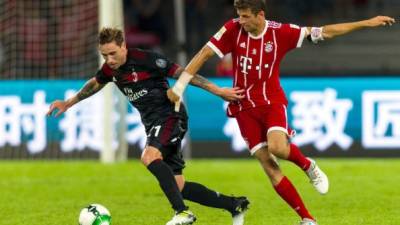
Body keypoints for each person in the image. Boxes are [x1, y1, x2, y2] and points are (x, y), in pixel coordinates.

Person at [167, 0, 396, 224]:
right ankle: (307, 219)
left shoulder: (282, 32)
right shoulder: (232, 28)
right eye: (240, 15)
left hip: (271, 101)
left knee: (277, 146)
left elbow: (325, 32)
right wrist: (179, 87)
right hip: (243, 106)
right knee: (269, 166)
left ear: (260, 15)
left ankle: (308, 166)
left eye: (246, 16)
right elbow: (204, 54)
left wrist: (367, 22)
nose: (241, 20)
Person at [47, 28, 249, 225]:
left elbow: (184, 74)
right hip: (153, 124)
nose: (109, 59)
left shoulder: (147, 60)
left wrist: (217, 90)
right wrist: (68, 103)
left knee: (149, 156)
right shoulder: (110, 69)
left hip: (170, 116)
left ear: (123, 46)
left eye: (113, 53)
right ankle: (234, 205)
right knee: (178, 186)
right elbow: (94, 84)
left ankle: (182, 213)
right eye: (104, 55)